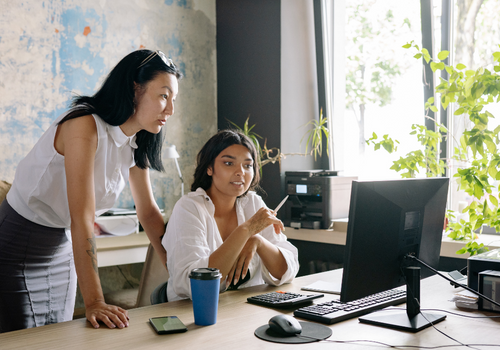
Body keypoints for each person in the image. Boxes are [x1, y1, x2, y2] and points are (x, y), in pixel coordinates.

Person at [0, 49, 181, 332]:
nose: (170, 110)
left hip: (61, 245)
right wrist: (95, 300)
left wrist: (181, 272)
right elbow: (82, 216)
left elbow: (148, 213)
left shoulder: (136, 141)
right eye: (163, 96)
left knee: (59, 337)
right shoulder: (84, 124)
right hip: (20, 241)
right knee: (22, 337)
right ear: (135, 88)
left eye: (173, 99)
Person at [163, 130, 299, 302]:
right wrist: (246, 230)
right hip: (193, 312)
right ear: (209, 168)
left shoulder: (253, 203)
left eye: (248, 165)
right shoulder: (189, 208)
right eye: (229, 163)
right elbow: (195, 285)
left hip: (243, 312)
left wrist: (258, 241)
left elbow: (288, 270)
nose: (240, 172)